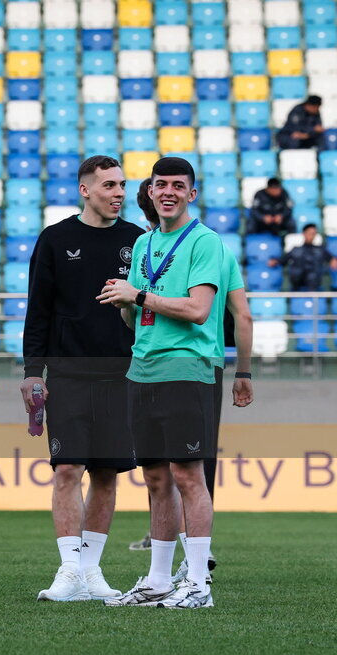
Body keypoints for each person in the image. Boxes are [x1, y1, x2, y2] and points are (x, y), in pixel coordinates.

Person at [98, 157, 224, 609]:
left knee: (189, 476)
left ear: (192, 194)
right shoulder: (145, 243)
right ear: (149, 192)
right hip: (142, 368)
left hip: (186, 369)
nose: (167, 191)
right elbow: (137, 321)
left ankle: (198, 585)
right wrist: (124, 302)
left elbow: (197, 311)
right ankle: (157, 580)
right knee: (155, 478)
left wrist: (140, 296)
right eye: (159, 184)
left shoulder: (205, 242)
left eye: (178, 185)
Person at [22, 155, 145, 602]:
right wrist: (32, 372)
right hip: (69, 372)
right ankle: (69, 571)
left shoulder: (138, 240)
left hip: (123, 373)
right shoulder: (55, 239)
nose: (118, 193)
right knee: (68, 469)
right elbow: (38, 310)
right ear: (85, 189)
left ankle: (91, 573)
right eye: (109, 185)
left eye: (122, 185)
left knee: (109, 474)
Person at [268, 224, 337, 291]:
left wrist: (334, 260)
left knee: (313, 276)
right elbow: (283, 260)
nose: (311, 236)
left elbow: (332, 258)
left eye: (313, 234)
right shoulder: (296, 250)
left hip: (314, 284)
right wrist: (275, 261)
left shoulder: (320, 250)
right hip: (297, 282)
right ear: (304, 233)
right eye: (309, 233)